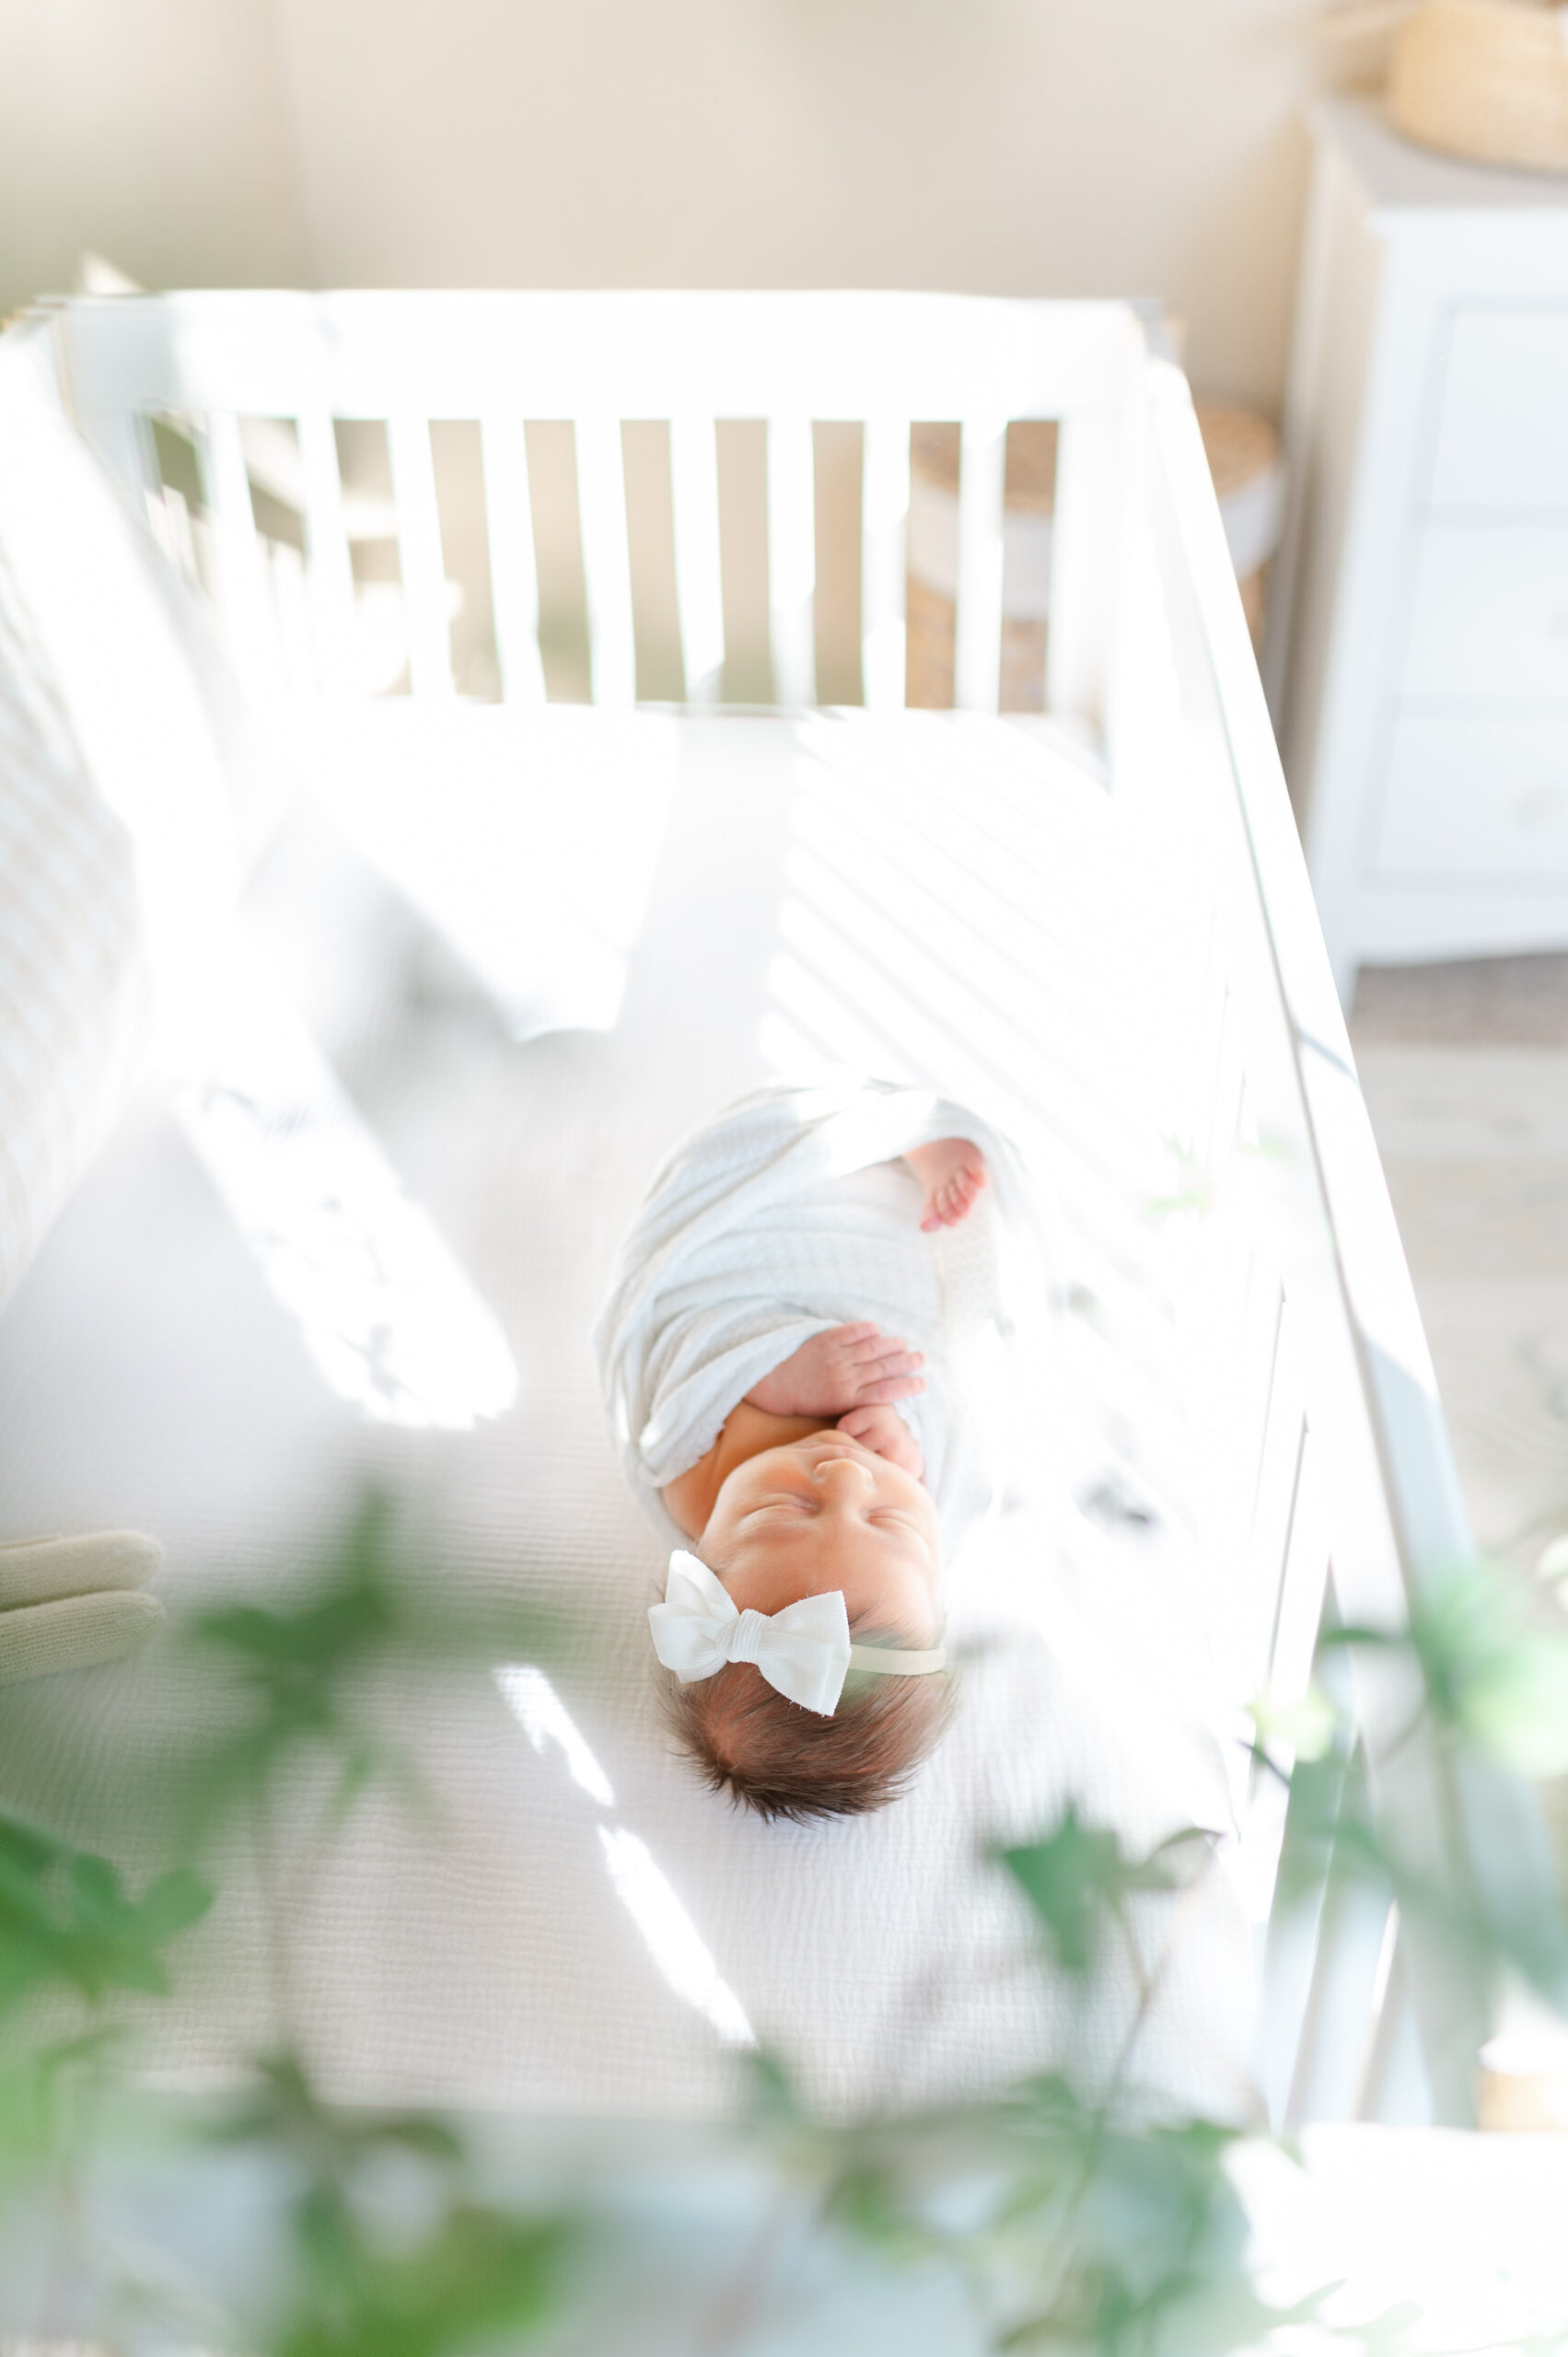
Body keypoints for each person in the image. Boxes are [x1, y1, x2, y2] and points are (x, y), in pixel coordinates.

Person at [596, 1086, 1022, 1822]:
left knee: (805, 1169)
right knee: (955, 1296)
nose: (847, 1478)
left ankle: (892, 1140)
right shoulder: (937, 1508)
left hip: (770, 1258)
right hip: (881, 1272)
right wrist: (908, 1433)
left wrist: (774, 1371)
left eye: (787, 1505)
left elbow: (681, 1370)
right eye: (892, 1520)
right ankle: (912, 1156)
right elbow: (962, 1413)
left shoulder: (689, 1482)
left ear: (703, 1555)